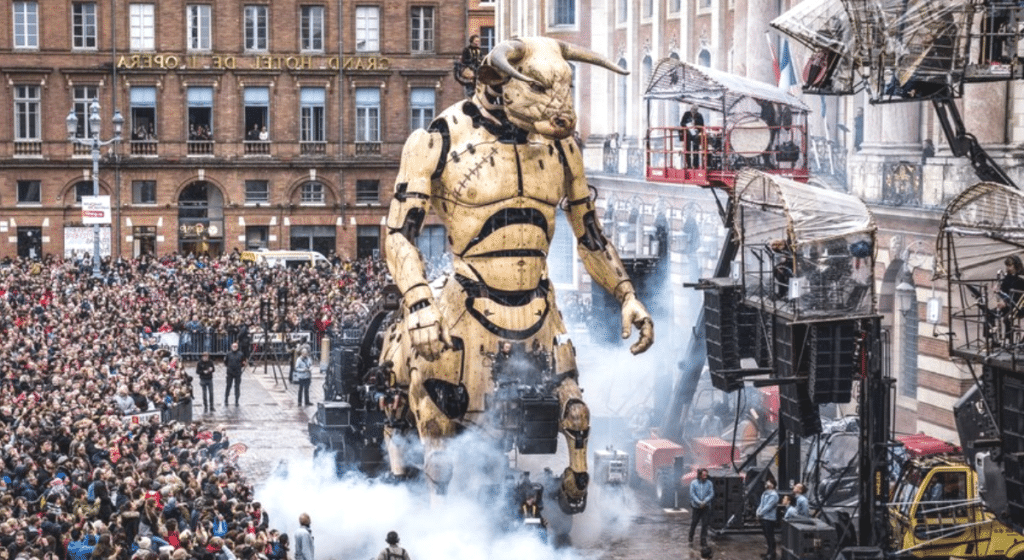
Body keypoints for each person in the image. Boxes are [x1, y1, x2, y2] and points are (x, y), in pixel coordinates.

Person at [688, 468, 714, 547]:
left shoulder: (709, 483)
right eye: (703, 475)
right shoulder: (694, 483)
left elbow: (711, 494)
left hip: (705, 507)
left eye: (706, 475)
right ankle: (690, 536)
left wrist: (705, 501)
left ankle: (703, 540)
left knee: (705, 524)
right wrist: (699, 502)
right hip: (696, 507)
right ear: (699, 475)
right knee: (694, 522)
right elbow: (692, 494)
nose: (705, 477)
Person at [756, 479, 779, 560]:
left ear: (772, 485)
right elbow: (761, 505)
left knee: (770, 536)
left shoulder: (774, 495)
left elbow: (768, 507)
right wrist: (757, 512)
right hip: (763, 517)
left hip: (769, 519)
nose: (766, 483)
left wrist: (760, 513)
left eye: (768, 482)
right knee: (767, 536)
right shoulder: (765, 493)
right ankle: (768, 552)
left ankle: (772, 554)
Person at [680, 104, 705, 168]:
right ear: (691, 109)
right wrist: (688, 125)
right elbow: (682, 123)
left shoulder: (699, 115)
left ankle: (695, 165)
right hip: (687, 133)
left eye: (695, 110)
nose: (694, 111)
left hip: (695, 134)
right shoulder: (686, 114)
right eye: (693, 110)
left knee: (695, 150)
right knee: (687, 149)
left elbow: (702, 125)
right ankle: (688, 165)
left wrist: (696, 126)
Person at [224, 341, 246, 407]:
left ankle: (236, 400)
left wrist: (240, 366)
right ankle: (226, 399)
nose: (234, 347)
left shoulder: (241, 354)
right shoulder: (228, 354)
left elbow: (243, 362)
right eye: (233, 346)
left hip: (237, 372)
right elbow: (225, 362)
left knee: (237, 387)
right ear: (231, 347)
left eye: (235, 346)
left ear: (237, 347)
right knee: (228, 386)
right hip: (230, 372)